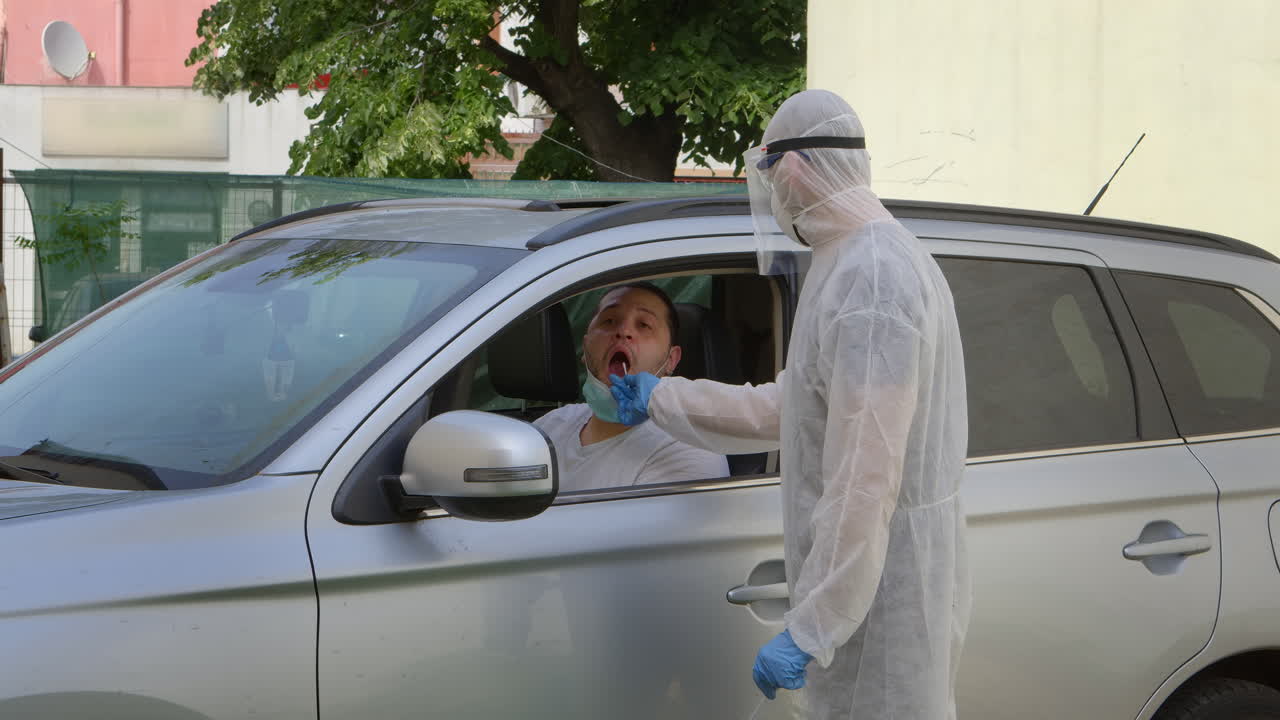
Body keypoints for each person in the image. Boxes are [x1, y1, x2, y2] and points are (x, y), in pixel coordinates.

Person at [610, 89, 971, 719]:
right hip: (866, 598)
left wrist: (812, 627)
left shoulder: (874, 278)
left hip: (882, 606)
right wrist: (665, 399)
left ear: (796, 168)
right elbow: (797, 405)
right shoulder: (851, 263)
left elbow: (866, 475)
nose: (773, 195)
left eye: (771, 174)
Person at [533, 283, 728, 492]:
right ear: (586, 346)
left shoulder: (690, 449)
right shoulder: (550, 426)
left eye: (644, 325)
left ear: (671, 360)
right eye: (609, 321)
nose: (623, 331)